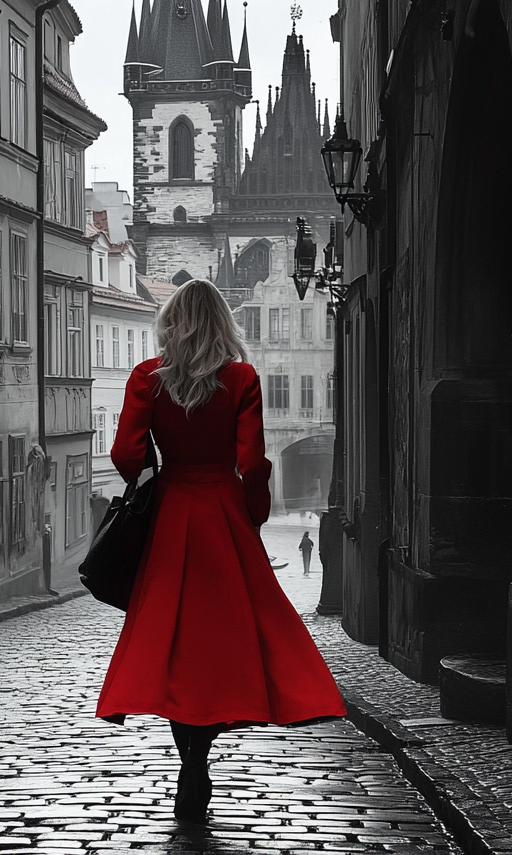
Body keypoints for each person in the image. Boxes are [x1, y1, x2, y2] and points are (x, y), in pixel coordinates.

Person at [96, 279, 345, 823]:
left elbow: (126, 455)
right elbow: (253, 461)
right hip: (223, 515)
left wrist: (156, 473)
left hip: (170, 515)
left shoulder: (147, 379)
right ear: (222, 324)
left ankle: (189, 761)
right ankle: (200, 758)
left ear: (171, 323)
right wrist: (252, 512)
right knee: (222, 642)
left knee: (173, 641)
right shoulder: (241, 377)